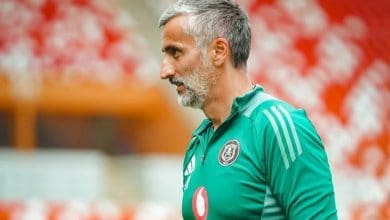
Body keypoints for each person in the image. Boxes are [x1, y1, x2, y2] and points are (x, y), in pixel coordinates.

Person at [158, 0, 338, 219]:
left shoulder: (278, 126)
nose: (164, 71)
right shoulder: (197, 142)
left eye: (175, 53)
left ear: (218, 51)